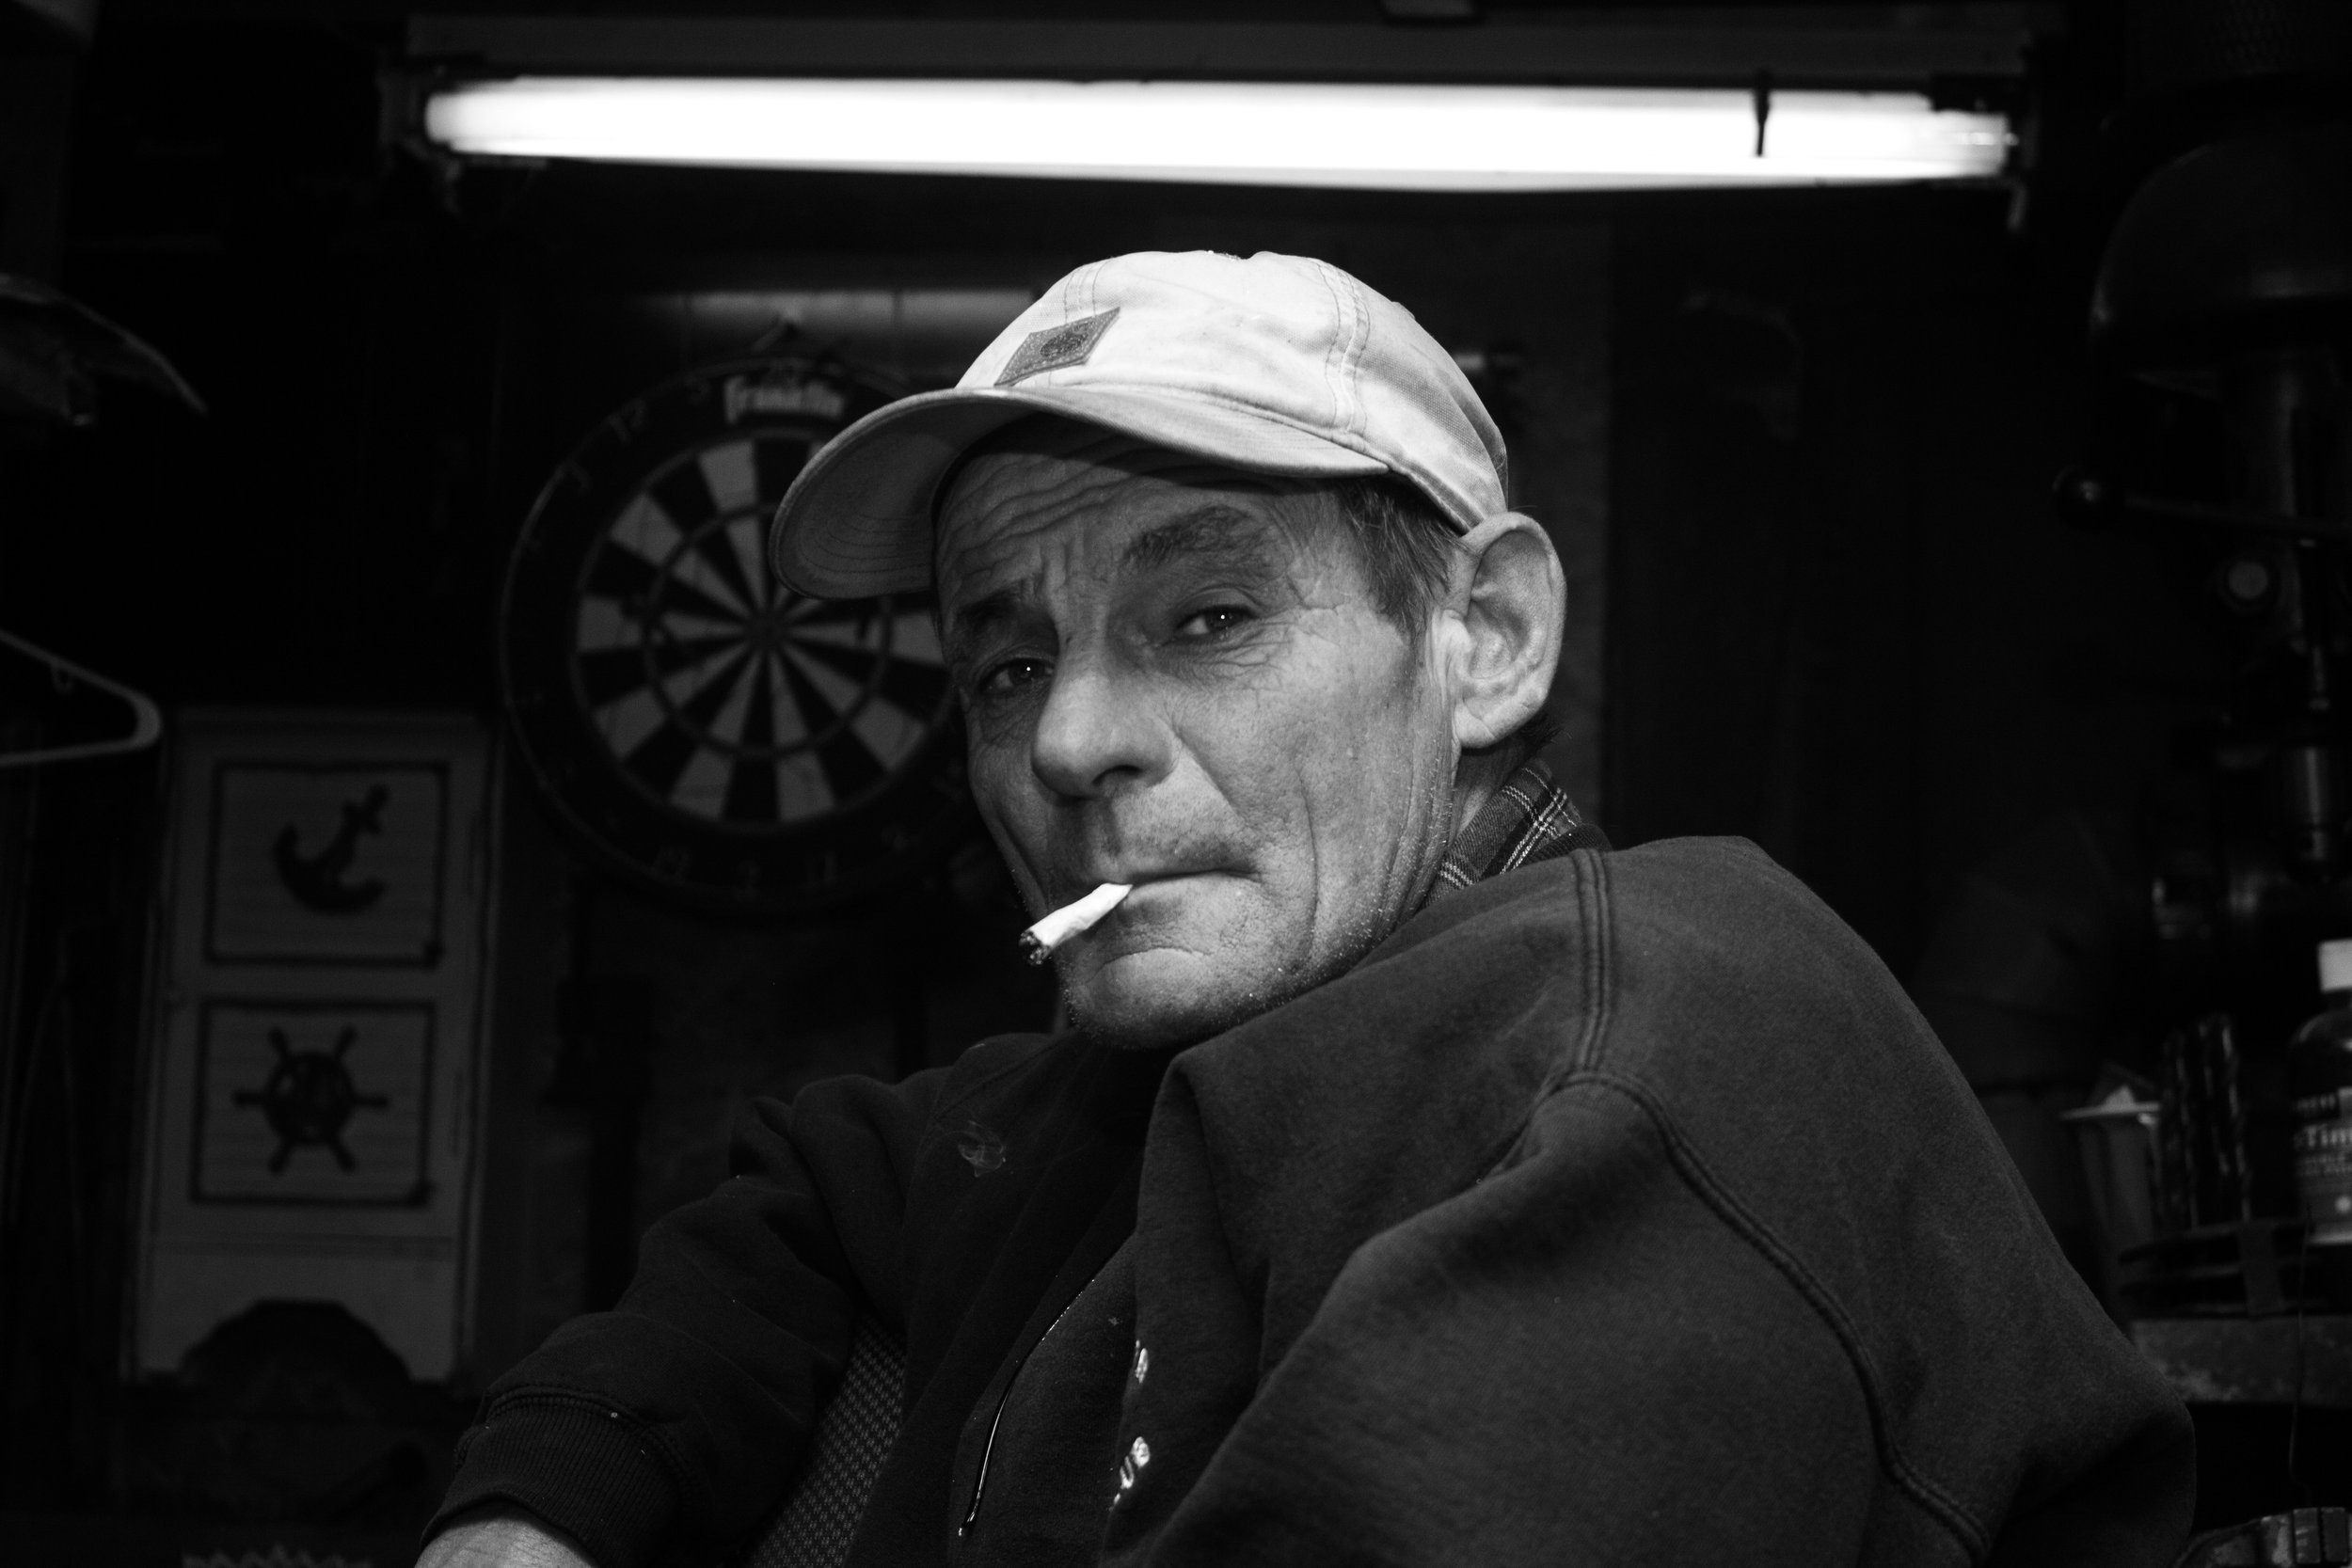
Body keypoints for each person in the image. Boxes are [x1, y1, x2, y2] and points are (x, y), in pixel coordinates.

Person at [421, 251, 2193, 1568]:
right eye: (1006, 660)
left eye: (1208, 621)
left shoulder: (1643, 1052)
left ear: (1484, 639)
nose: (1071, 739)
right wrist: (542, 1506)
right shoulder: (1146, 1075)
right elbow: (825, 1188)